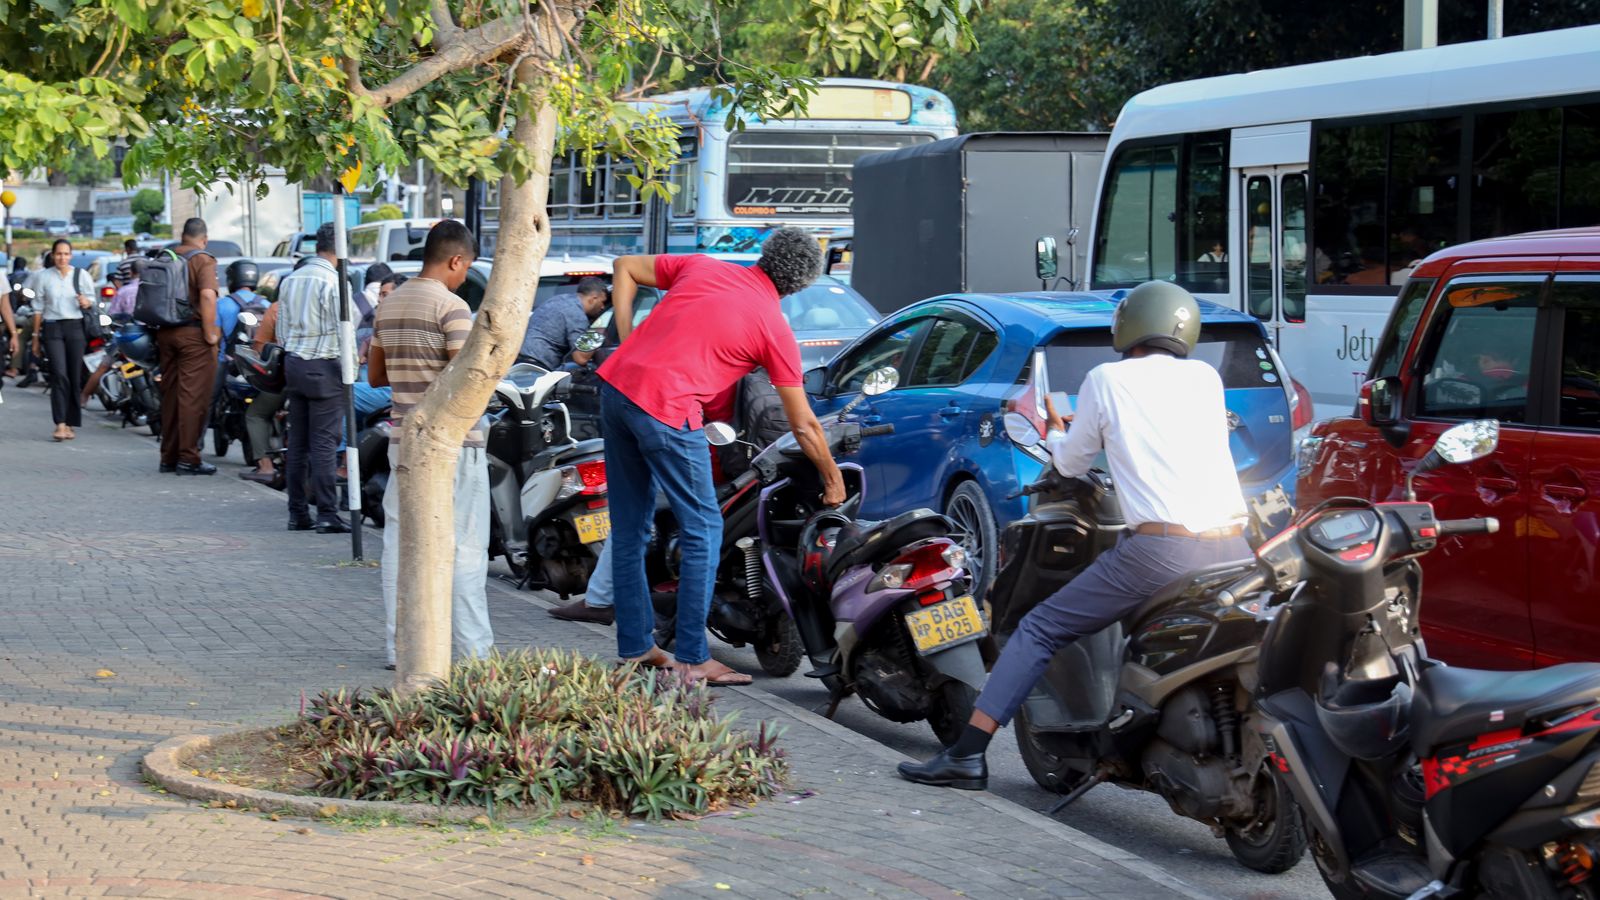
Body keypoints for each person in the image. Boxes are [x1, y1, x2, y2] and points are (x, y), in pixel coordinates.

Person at [897, 281, 1252, 791]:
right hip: (1233, 546)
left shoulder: (1106, 378)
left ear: (1128, 326)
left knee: (1040, 628)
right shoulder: (1204, 378)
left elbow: (1070, 460)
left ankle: (968, 754)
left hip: (1163, 550)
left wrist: (1061, 427)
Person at [597, 227, 844, 685]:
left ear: (765, 255)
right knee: (704, 529)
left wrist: (627, 336)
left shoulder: (704, 266)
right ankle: (692, 657)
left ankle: (635, 646)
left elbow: (624, 268)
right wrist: (832, 478)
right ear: (800, 285)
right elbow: (804, 423)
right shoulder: (773, 327)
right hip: (667, 408)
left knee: (630, 528)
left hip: (615, 390)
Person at [368, 220, 493, 669]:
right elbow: (465, 381)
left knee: (400, 545)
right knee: (463, 548)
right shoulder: (453, 307)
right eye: (466, 268)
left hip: (403, 439)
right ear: (456, 260)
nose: (464, 277)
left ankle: (399, 647)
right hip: (453, 444)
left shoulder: (390, 303)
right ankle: (474, 652)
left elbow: (376, 377)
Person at [276, 223, 348, 532]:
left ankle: (297, 513)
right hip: (324, 367)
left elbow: (282, 330)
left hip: (294, 364)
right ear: (340, 248)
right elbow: (343, 332)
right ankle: (327, 514)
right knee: (323, 445)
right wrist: (350, 376)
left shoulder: (292, 279)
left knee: (298, 444)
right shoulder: (334, 281)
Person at [154, 218, 221, 474]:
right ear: (204, 238)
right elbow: (207, 295)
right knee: (193, 397)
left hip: (165, 333)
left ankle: (168, 457)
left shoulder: (166, 255)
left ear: (183, 236)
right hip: (193, 336)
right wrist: (210, 333)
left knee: (170, 395)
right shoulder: (202, 259)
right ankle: (189, 458)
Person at [28, 239, 95, 441]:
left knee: (75, 377)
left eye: (66, 254)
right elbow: (38, 308)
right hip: (52, 327)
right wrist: (35, 337)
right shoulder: (43, 277)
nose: (62, 258)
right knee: (59, 374)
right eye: (58, 254)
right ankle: (60, 423)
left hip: (75, 328)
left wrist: (86, 302)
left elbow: (92, 299)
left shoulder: (81, 275)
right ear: (52, 255)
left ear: (71, 255)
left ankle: (71, 423)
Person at [239, 299, 284, 486]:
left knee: (256, 414)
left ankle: (265, 466)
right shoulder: (336, 301)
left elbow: (260, 344)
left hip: (288, 377)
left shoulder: (278, 307)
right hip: (328, 378)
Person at [518, 276, 608, 369]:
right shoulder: (576, 314)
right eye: (603, 302)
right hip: (535, 366)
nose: (603, 307)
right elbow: (580, 358)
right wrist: (598, 333)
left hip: (519, 358)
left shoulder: (559, 299)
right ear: (593, 299)